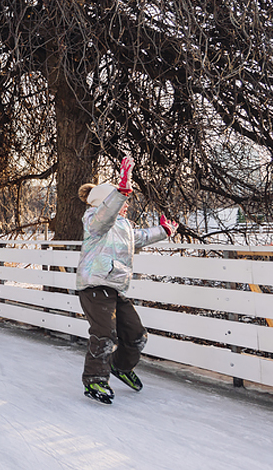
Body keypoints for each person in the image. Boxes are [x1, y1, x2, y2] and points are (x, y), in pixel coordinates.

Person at [76, 156, 178, 404]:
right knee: (104, 333)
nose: (126, 205)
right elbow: (105, 216)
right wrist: (121, 189)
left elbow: (140, 237)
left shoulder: (124, 227)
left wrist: (163, 232)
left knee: (136, 335)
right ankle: (95, 379)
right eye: (122, 201)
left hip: (115, 288)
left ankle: (120, 366)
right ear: (105, 202)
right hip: (95, 286)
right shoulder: (93, 221)